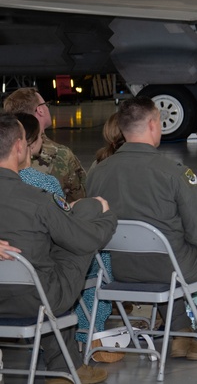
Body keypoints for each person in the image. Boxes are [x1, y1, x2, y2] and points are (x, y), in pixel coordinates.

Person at [86, 97, 197, 361]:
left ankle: (179, 332)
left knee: (168, 253)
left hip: (117, 267)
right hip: (170, 266)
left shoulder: (97, 172)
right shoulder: (173, 172)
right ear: (153, 125)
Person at [0, 113, 117, 384]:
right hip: (36, 300)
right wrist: (107, 218)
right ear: (19, 147)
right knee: (80, 237)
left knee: (46, 259)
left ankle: (67, 366)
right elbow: (83, 242)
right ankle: (65, 369)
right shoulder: (37, 200)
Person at [3, 87, 88, 202]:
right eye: (46, 104)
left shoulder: (5, 151)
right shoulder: (62, 155)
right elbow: (80, 199)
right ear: (40, 110)